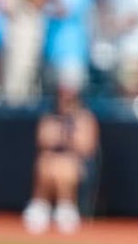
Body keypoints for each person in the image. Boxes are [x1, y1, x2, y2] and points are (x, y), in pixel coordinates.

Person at [22, 83, 99, 234]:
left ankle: (66, 208)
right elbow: (43, 140)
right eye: (62, 97)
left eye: (70, 98)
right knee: (46, 162)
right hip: (52, 160)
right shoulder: (50, 116)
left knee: (65, 166)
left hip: (78, 164)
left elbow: (86, 146)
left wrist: (65, 136)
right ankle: (40, 206)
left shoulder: (84, 117)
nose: (65, 101)